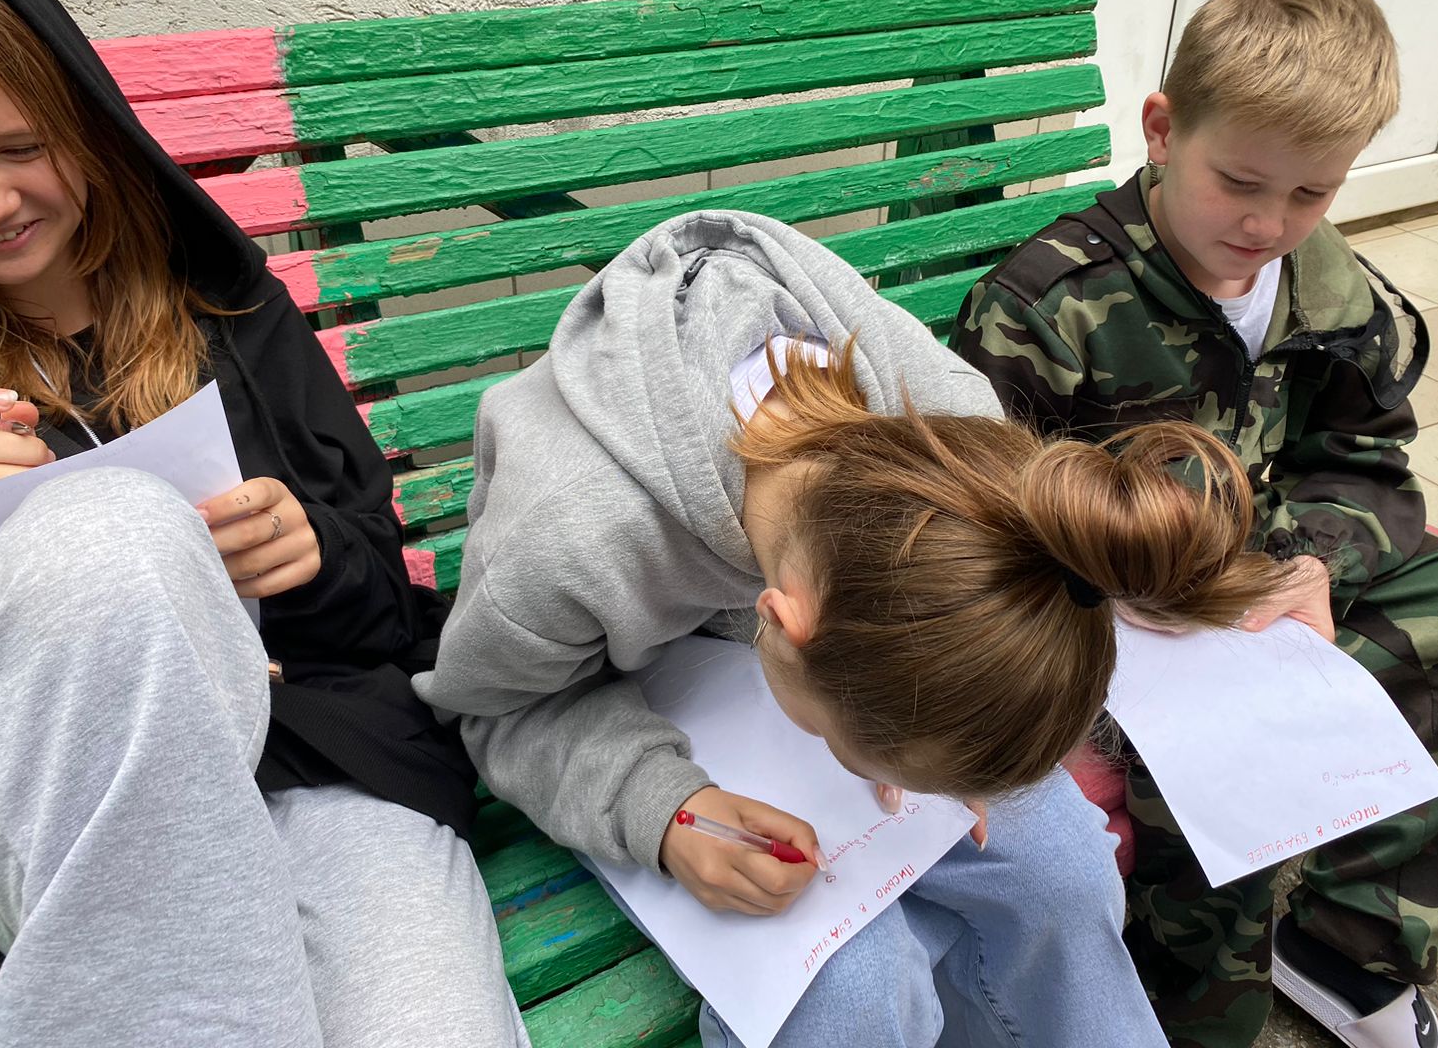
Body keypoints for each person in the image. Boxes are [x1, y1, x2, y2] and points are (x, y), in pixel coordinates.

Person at [414, 205, 1293, 1047]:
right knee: (850, 979)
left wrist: (962, 744)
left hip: (817, 632)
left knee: (1064, 864)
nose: (887, 790)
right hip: (604, 690)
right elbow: (497, 706)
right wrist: (663, 810)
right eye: (855, 755)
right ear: (781, 623)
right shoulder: (569, 541)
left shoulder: (966, 449)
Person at [0, 0, 528, 1047]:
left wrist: (313, 557)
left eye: (23, 147)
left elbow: (383, 604)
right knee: (107, 527)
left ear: (89, 132)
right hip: (58, 816)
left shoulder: (227, 308)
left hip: (318, 762)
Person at [951, 0, 1438, 1048]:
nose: (1268, 223)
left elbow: (1363, 454)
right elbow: (978, 521)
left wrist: (1313, 564)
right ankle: (1186, 1012)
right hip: (1114, 624)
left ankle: (1348, 952)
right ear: (1163, 131)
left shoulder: (1328, 285)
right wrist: (1113, 605)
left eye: (1310, 195)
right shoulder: (1050, 305)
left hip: (1269, 588)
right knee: (1218, 770)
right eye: (1240, 182)